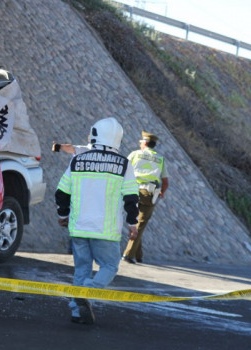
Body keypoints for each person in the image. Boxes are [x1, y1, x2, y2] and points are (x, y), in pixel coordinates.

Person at [54, 117, 139, 325]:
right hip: (106, 231)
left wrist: (63, 216)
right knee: (110, 266)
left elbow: (61, 193)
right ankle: (87, 292)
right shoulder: (123, 164)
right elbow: (131, 198)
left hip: (79, 228)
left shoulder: (78, 160)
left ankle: (76, 311)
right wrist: (133, 223)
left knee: (81, 269)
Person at [121, 131, 169, 264]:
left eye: (141, 142)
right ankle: (128, 254)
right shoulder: (160, 159)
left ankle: (138, 255)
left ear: (145, 143)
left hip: (131, 190)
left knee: (136, 222)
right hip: (149, 193)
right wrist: (162, 192)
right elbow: (165, 182)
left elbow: (123, 170)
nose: (139, 143)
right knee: (140, 224)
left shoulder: (135, 154)